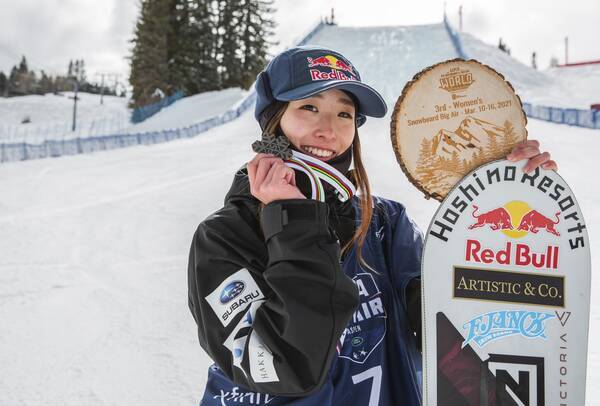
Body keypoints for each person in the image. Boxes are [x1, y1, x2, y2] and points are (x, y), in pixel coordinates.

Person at [187, 45, 557, 405]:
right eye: (308, 107)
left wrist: (503, 204)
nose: (327, 129)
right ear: (273, 121)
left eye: (344, 114)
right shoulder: (224, 238)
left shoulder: (382, 224)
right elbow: (287, 367)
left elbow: (449, 333)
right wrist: (293, 221)